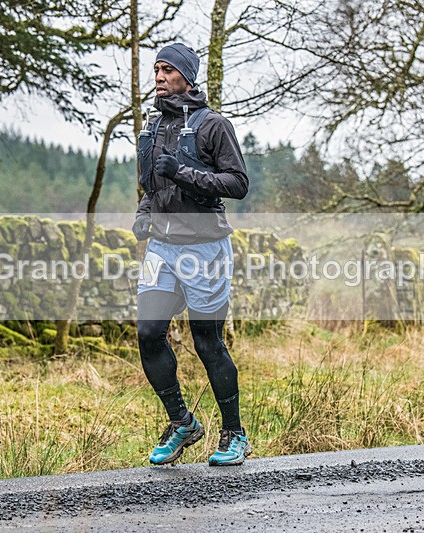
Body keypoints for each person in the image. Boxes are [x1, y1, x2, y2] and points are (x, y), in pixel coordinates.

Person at [132, 43, 251, 466]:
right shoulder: (150, 127)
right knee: (148, 333)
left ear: (187, 76)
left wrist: (183, 172)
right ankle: (182, 422)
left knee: (207, 342)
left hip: (205, 248)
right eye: (156, 69)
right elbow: (151, 184)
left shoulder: (213, 125)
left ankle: (234, 433)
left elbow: (237, 183)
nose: (159, 77)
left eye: (168, 70)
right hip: (162, 247)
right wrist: (144, 214)